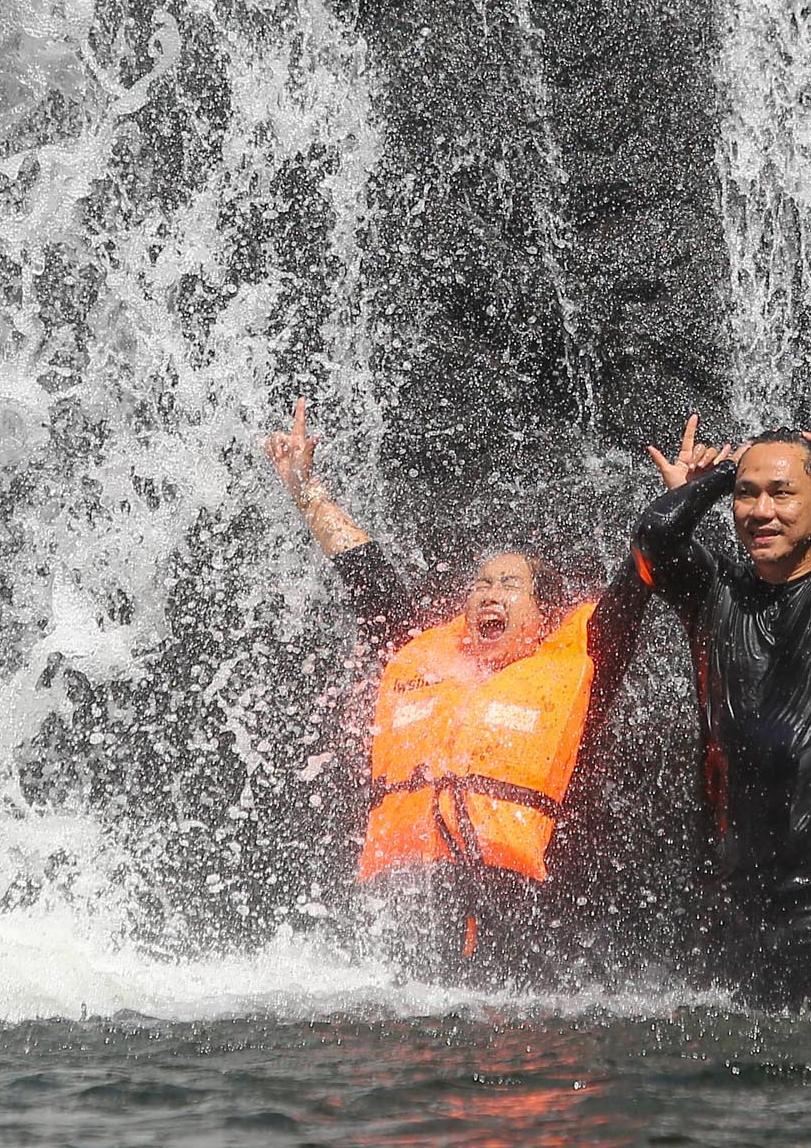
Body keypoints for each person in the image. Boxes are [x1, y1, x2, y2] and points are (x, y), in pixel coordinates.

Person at [265, 400, 653, 980]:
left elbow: (634, 584)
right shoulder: (423, 656)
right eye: (481, 583)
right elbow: (365, 573)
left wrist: (679, 503)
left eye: (510, 585)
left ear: (543, 616)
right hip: (406, 907)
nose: (490, 593)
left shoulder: (580, 662)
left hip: (518, 913)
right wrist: (304, 488)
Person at [630, 416, 811, 1010]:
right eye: (746, 494)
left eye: (782, 493)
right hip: (734, 909)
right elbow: (654, 535)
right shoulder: (715, 592)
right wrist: (705, 483)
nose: (761, 511)